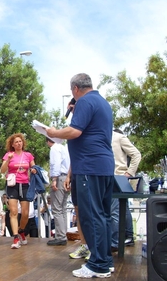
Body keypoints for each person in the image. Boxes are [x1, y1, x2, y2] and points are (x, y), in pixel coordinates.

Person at [46, 73, 114, 278]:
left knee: (90, 216)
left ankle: (97, 265)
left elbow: (75, 132)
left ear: (75, 89)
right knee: (102, 216)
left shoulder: (85, 102)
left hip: (89, 167)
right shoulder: (102, 103)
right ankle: (105, 261)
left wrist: (54, 132)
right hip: (103, 166)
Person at [0, 133, 37, 249]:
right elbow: (2, 170)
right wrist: (8, 160)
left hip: (25, 185)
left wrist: (34, 170)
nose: (18, 143)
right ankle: (15, 237)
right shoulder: (8, 155)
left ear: (23, 143)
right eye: (16, 142)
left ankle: (21, 231)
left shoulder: (28, 155)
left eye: (20, 141)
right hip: (12, 185)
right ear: (12, 144)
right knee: (13, 212)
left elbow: (33, 167)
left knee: (25, 213)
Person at [111, 128, 141, 251]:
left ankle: (115, 242)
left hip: (118, 176)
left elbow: (136, 154)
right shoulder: (99, 135)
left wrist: (129, 173)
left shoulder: (118, 137)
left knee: (116, 211)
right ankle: (127, 236)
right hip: (105, 177)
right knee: (121, 208)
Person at [46, 137, 71, 246]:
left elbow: (55, 164)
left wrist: (54, 179)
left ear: (48, 141)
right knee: (63, 207)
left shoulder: (54, 149)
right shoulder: (64, 148)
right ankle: (63, 234)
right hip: (67, 177)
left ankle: (60, 236)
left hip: (60, 178)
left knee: (56, 208)